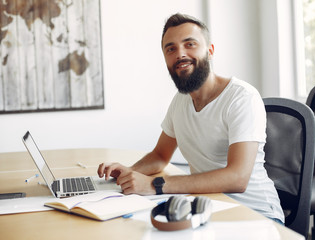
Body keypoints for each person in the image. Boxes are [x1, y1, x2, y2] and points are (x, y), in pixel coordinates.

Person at [97, 13, 284, 224]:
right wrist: (129, 173)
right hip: (208, 211)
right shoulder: (180, 101)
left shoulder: (241, 97)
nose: (180, 54)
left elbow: (237, 178)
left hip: (257, 216)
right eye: (171, 49)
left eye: (190, 44)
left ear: (210, 51)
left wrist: (154, 185)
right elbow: (160, 155)